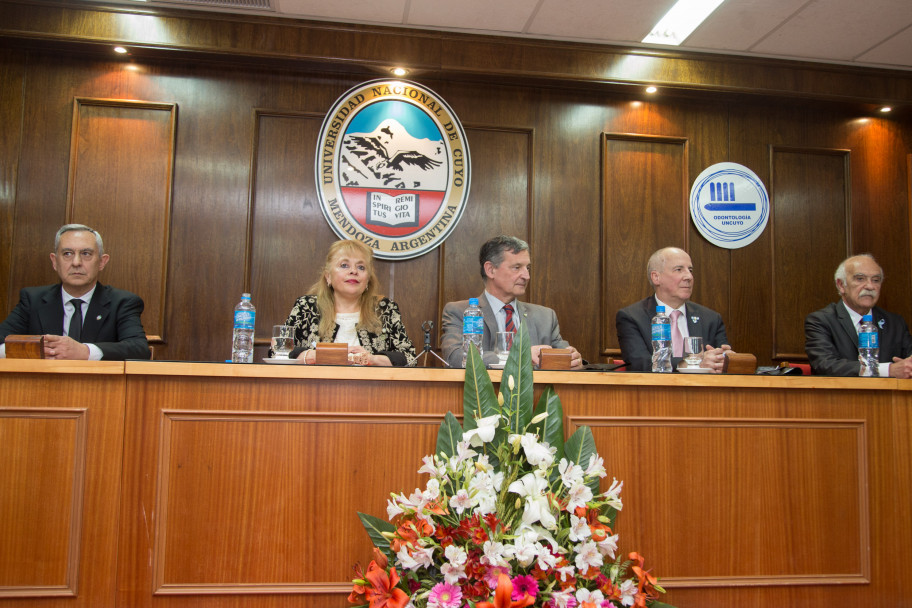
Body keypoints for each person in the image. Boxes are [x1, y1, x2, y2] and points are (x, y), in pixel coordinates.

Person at [0, 224, 151, 360]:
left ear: (102, 262)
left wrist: (85, 351)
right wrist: (36, 350)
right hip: (43, 385)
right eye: (67, 253)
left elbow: (139, 349)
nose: (76, 262)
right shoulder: (33, 300)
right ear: (54, 261)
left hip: (99, 388)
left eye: (86, 254)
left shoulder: (122, 302)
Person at [440, 235, 584, 369]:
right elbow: (456, 357)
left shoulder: (545, 317)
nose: (526, 276)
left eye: (527, 268)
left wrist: (574, 361)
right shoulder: (460, 312)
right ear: (490, 270)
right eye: (517, 268)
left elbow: (566, 361)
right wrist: (521, 356)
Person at [281, 239, 417, 366]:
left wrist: (372, 359)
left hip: (373, 389)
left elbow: (409, 358)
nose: (353, 271)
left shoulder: (385, 309)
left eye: (361, 267)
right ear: (328, 276)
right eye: (344, 265)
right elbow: (279, 352)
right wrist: (318, 356)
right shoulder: (306, 307)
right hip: (314, 389)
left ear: (368, 279)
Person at [616, 247, 731, 372]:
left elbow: (722, 361)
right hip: (654, 391)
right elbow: (640, 364)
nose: (689, 276)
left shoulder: (711, 318)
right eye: (679, 269)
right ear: (656, 277)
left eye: (690, 270)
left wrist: (725, 360)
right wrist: (692, 364)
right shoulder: (632, 317)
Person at [805, 254, 912, 377]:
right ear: (841, 285)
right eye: (860, 279)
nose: (870, 286)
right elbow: (824, 364)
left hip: (890, 395)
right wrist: (886, 370)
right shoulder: (821, 320)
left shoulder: (895, 323)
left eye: (876, 280)